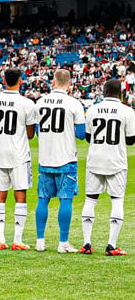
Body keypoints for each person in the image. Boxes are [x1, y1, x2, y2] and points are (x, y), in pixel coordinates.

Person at [80, 79, 135, 256]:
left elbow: (88, 137)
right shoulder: (127, 111)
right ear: (120, 92)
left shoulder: (93, 109)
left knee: (90, 199)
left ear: (103, 90)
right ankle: (111, 245)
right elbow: (131, 140)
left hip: (95, 159)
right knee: (117, 200)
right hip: (116, 161)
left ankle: (86, 243)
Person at [35, 69, 86, 253]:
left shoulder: (39, 102)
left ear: (53, 82)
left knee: (43, 199)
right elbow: (81, 135)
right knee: (66, 199)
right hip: (66, 158)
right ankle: (63, 242)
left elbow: (38, 130)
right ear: (69, 83)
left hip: (45, 158)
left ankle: (40, 241)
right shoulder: (74, 103)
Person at [0, 68, 37, 250]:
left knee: (0, 195)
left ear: (3, 80)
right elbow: (31, 134)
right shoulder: (27, 103)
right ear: (21, 81)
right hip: (19, 155)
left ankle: (0, 239)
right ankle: (17, 239)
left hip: (0, 152)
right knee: (20, 196)